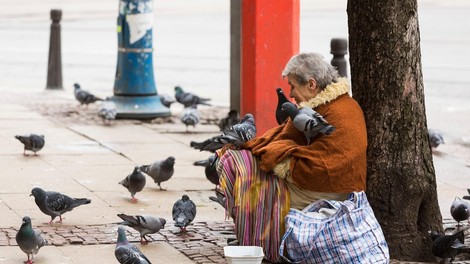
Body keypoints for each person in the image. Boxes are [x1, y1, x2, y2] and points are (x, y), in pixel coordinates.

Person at [216, 52, 369, 263]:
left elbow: (326, 165)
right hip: (317, 180)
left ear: (312, 84)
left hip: (331, 189)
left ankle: (264, 245)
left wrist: (282, 158)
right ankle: (255, 238)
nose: (290, 94)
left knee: (254, 189)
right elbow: (285, 136)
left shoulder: (342, 110)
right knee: (239, 164)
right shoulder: (321, 104)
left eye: (293, 86)